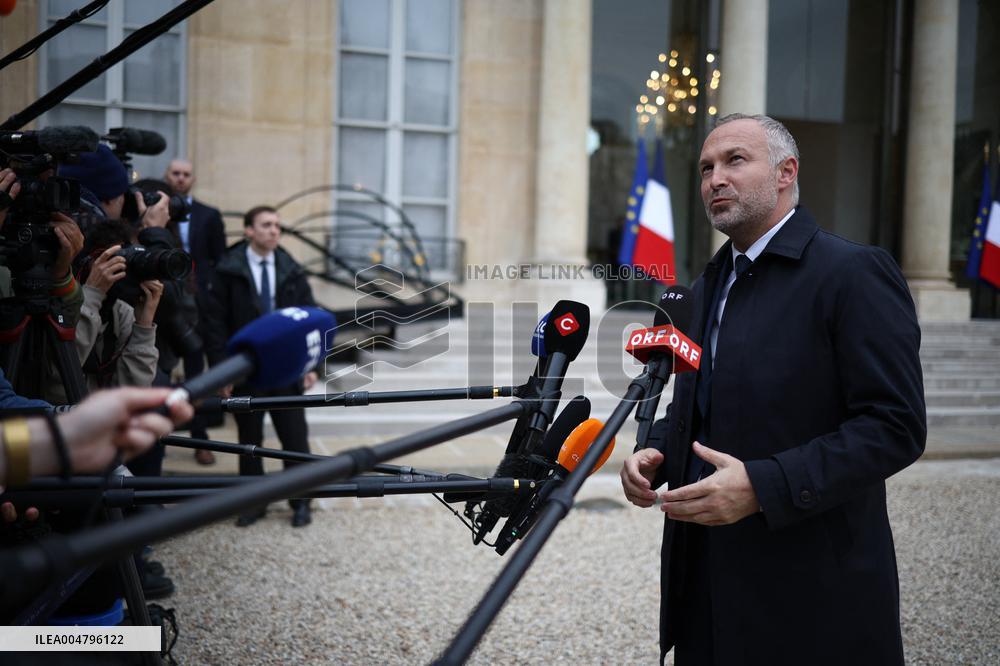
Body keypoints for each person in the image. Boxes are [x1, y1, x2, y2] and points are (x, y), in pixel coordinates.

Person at [619, 114, 926, 666]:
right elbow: (699, 402)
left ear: (786, 173)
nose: (715, 178)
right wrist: (657, 451)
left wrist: (764, 485)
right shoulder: (704, 287)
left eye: (736, 160)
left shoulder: (853, 273)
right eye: (707, 167)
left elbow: (895, 426)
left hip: (813, 604)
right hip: (706, 601)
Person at [204, 205, 318, 527]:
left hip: (288, 369)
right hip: (246, 370)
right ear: (249, 231)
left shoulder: (291, 269)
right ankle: (253, 503)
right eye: (266, 225)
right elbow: (215, 325)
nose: (274, 231)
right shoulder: (228, 270)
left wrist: (311, 364)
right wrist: (221, 371)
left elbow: (308, 318)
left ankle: (301, 501)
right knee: (249, 442)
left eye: (277, 226)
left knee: (295, 440)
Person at [164, 158, 227, 465]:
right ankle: (154, 439)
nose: (180, 178)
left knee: (196, 372)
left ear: (193, 179)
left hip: (200, 302)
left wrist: (209, 291)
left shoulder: (209, 215)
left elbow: (220, 260)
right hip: (163, 299)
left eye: (186, 174)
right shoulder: (159, 210)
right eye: (176, 173)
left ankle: (201, 439)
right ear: (168, 176)